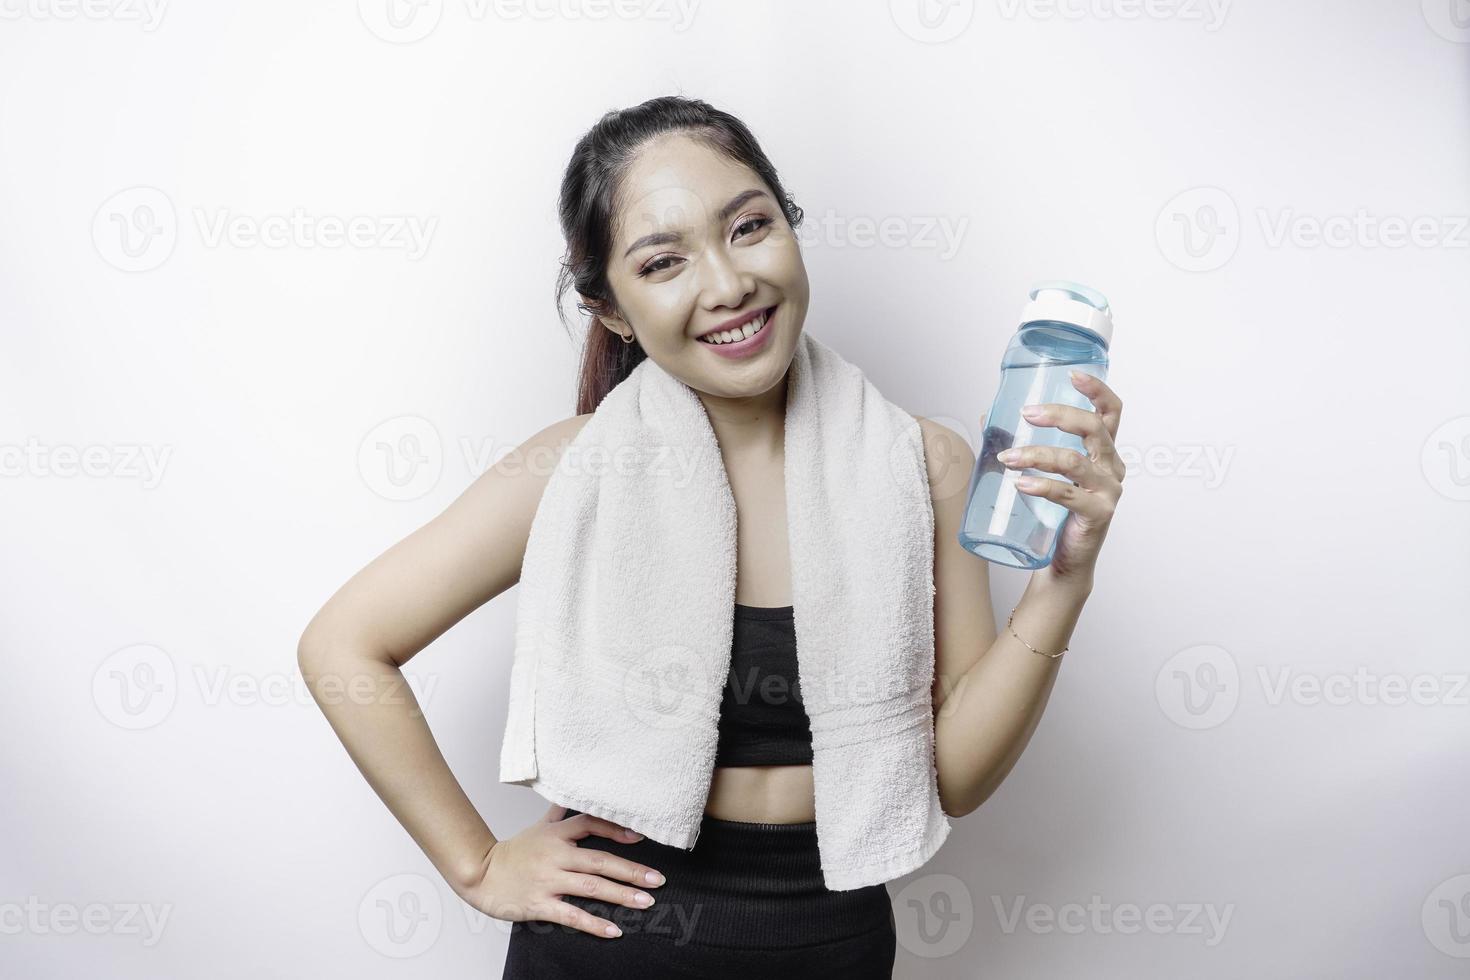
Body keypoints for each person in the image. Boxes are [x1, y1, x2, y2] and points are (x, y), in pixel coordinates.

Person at [297, 94, 1126, 978]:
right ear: (610, 309)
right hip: (613, 944)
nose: (728, 285)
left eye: (749, 226)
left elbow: (955, 776)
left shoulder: (928, 464)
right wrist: (480, 863)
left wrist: (1063, 582)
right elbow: (343, 645)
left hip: (831, 941)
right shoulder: (568, 472)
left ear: (790, 226)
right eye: (662, 262)